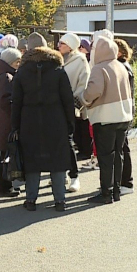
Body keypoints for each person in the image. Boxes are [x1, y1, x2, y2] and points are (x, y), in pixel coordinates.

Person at [11, 36, 75, 212]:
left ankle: (31, 200)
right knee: (58, 159)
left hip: (29, 120)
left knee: (32, 160)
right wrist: (70, 122)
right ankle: (60, 200)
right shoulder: (58, 69)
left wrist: (14, 126)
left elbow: (15, 102)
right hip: (56, 119)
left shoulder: (22, 72)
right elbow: (68, 99)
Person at [81, 36, 133, 204]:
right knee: (119, 155)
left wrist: (84, 99)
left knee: (105, 157)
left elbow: (93, 92)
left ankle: (106, 192)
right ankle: (116, 190)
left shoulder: (99, 68)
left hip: (105, 118)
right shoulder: (121, 66)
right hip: (122, 116)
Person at [58, 32, 90, 193]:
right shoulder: (59, 60)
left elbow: (83, 85)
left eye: (62, 43)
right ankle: (60, 175)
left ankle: (74, 176)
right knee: (57, 142)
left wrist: (75, 104)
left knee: (69, 143)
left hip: (70, 107)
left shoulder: (80, 60)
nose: (58, 46)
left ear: (70, 45)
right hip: (56, 108)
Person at [0, 47, 22, 197]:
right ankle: (4, 187)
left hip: (2, 121)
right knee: (7, 157)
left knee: (5, 156)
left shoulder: (2, 76)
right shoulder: (6, 77)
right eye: (17, 62)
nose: (18, 64)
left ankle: (5, 186)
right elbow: (7, 101)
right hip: (6, 123)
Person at [115, 38, 135, 196]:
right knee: (122, 147)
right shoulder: (124, 65)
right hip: (126, 109)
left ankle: (126, 182)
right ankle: (121, 181)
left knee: (122, 148)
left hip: (123, 110)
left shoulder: (121, 66)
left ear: (120, 52)